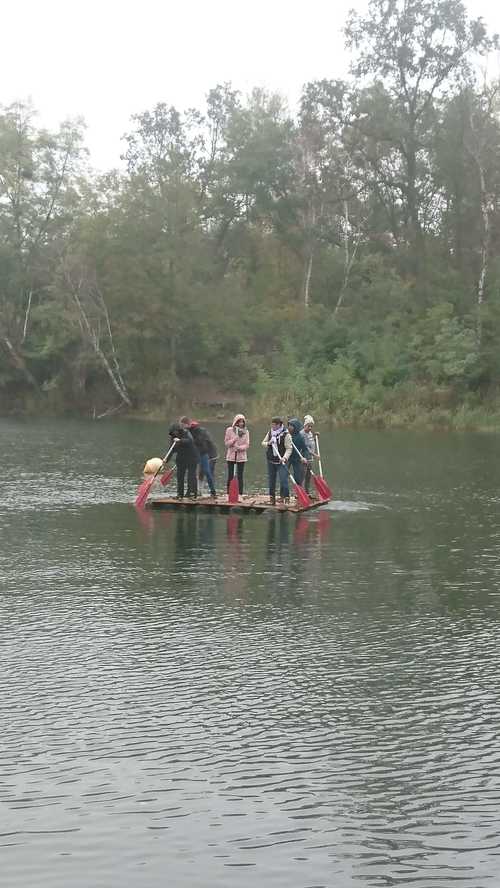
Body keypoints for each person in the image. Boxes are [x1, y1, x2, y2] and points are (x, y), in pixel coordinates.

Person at [180, 417, 218, 498]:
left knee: (207, 471)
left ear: (187, 424)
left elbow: (200, 442)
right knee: (192, 473)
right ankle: (191, 491)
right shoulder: (185, 431)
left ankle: (213, 491)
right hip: (193, 454)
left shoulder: (198, 430)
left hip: (203, 453)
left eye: (183, 425)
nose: (182, 427)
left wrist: (191, 441)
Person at [261, 417, 292, 505]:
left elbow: (289, 449)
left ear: (279, 425)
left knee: (283, 480)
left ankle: (286, 497)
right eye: (272, 424)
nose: (272, 426)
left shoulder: (286, 435)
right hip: (271, 460)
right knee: (271, 480)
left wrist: (285, 458)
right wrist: (268, 443)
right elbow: (263, 442)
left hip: (281, 461)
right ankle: (272, 498)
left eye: (274, 425)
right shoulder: (270, 432)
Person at [166, 422, 198, 499]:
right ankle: (180, 494)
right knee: (180, 476)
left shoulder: (186, 433)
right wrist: (166, 460)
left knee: (191, 476)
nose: (174, 433)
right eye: (173, 432)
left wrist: (180, 440)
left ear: (178, 430)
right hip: (181, 458)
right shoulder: (173, 437)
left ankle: (192, 493)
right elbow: (171, 449)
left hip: (191, 457)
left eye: (175, 431)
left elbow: (190, 441)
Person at [224, 414, 250, 495]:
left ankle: (240, 494)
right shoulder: (229, 430)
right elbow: (227, 443)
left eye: (242, 422)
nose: (241, 423)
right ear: (235, 422)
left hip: (241, 457)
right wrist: (235, 438)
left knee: (240, 476)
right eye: (239, 422)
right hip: (231, 457)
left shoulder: (246, 431)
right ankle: (229, 493)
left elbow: (247, 444)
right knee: (230, 475)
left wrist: (239, 448)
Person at [287, 418, 309, 487]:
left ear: (296, 427)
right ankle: (284, 494)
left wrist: (304, 458)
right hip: (287, 457)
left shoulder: (300, 437)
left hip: (296, 458)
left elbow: (305, 450)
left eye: (291, 426)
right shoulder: (286, 435)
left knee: (298, 477)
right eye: (289, 425)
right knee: (283, 474)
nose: (289, 427)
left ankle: (299, 493)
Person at [302, 414, 317, 495]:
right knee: (302, 477)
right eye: (308, 426)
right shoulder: (302, 434)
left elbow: (311, 442)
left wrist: (315, 437)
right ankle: (300, 494)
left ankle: (307, 493)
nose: (310, 428)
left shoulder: (310, 433)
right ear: (305, 425)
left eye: (311, 426)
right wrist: (315, 455)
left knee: (308, 477)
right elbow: (306, 447)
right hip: (303, 459)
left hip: (310, 459)